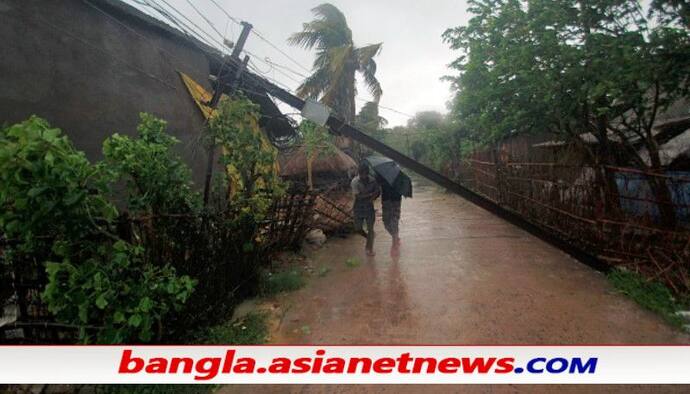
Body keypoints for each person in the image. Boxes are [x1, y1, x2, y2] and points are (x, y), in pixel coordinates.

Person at [351, 163, 380, 256]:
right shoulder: (354, 182)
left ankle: (369, 249)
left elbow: (378, 191)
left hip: (369, 208)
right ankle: (368, 237)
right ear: (359, 173)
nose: (364, 176)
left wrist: (373, 197)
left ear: (367, 173)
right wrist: (370, 195)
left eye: (365, 174)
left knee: (370, 228)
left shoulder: (373, 181)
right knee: (358, 228)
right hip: (358, 208)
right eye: (362, 174)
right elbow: (358, 196)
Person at [377, 173, 402, 255]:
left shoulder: (399, 177)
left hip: (396, 200)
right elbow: (377, 186)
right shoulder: (380, 175)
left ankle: (394, 245)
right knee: (386, 223)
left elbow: (403, 189)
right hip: (386, 201)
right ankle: (395, 237)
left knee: (394, 222)